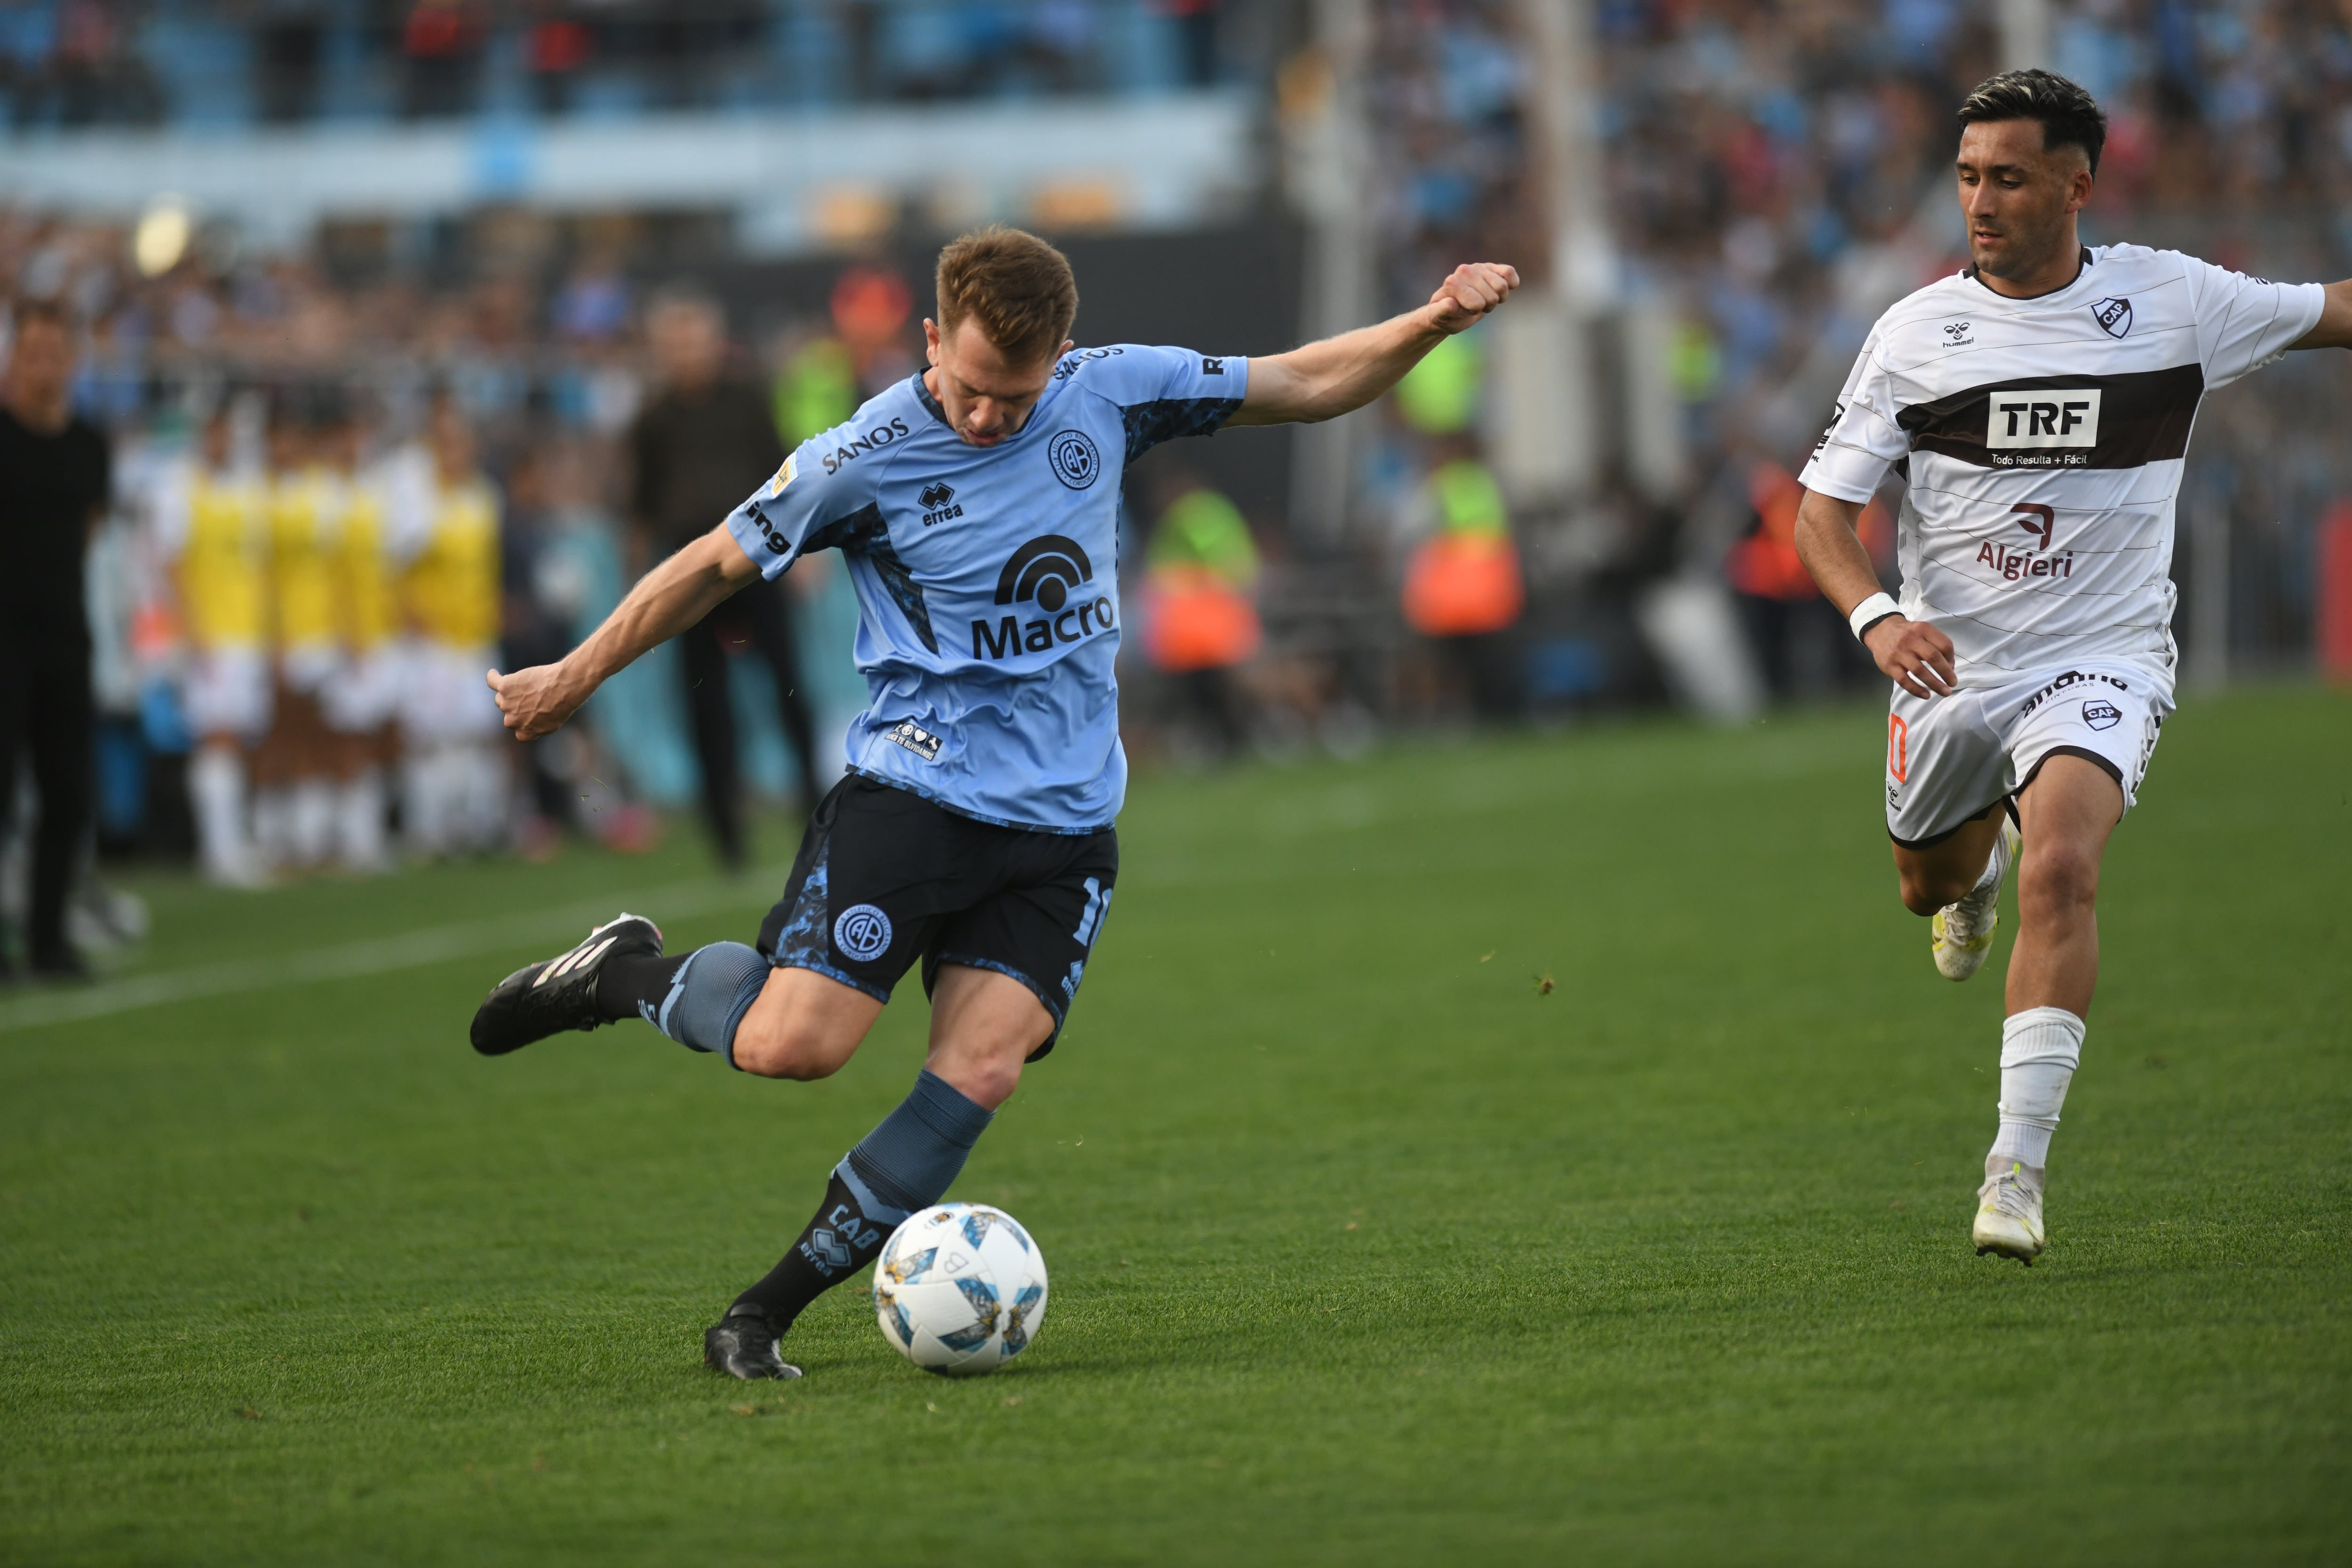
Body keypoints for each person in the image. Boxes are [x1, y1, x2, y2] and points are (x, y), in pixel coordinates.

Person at [469, 225, 1520, 1379]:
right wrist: (572, 675)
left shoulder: (1110, 395)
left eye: (1014, 398)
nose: (987, 418)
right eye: (969, 390)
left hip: (1064, 832)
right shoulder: (861, 453)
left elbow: (1307, 381)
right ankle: (618, 973)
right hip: (916, 797)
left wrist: (1428, 322)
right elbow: (712, 566)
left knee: (980, 1073)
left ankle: (758, 1317)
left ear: (1062, 354)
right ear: (932, 340)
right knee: (794, 1049)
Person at [1792, 70, 2352, 1266]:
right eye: (1965, 176)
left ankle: (2015, 1170)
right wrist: (1879, 621)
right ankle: (1970, 873)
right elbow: (1818, 518)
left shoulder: (2173, 300)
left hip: (2102, 657)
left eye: (2005, 176)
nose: (1979, 201)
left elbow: (2333, 311)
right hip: (1950, 671)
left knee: (2064, 868)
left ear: (2075, 183)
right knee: (1925, 888)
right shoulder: (1914, 334)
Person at [628, 286, 824, 869]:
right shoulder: (651, 418)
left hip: (755, 563)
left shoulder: (748, 401)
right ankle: (727, 838)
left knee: (791, 691)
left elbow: (788, 477)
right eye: (675, 343)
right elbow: (640, 507)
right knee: (704, 707)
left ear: (715, 343)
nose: (687, 352)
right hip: (689, 577)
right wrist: (642, 590)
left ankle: (816, 817)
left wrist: (805, 553)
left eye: (695, 339)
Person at [0, 300, 111, 979]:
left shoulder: (88, 444)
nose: (44, 367)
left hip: (66, 637)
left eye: (55, 353)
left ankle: (49, 939)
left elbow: (91, 530)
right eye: (32, 353)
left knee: (68, 791)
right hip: (2, 640)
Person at [152, 398, 271, 886]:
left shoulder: (245, 487)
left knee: (236, 738)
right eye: (215, 432)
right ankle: (218, 849)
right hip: (210, 635)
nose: (223, 441)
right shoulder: (181, 485)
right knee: (215, 737)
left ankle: (232, 843)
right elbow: (170, 562)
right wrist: (190, 629)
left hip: (245, 632)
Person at [395, 393, 508, 856]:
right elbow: (397, 566)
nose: (455, 453)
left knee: (477, 732)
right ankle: (429, 830)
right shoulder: (418, 502)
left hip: (476, 633)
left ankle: (474, 826)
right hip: (435, 637)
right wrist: (408, 614)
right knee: (433, 736)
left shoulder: (484, 497)